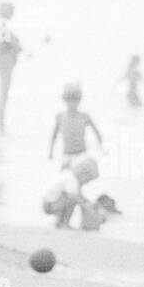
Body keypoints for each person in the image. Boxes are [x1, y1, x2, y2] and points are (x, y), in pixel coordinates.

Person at [46, 83, 106, 229]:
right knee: (64, 191)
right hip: (66, 158)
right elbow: (54, 135)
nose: (72, 104)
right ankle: (61, 219)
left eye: (75, 100)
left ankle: (66, 220)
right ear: (64, 100)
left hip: (81, 157)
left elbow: (97, 133)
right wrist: (51, 151)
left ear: (79, 101)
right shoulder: (60, 116)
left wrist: (100, 147)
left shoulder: (84, 116)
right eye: (69, 100)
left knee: (74, 190)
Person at [0, 1, 21, 133]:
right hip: (5, 63)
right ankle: (0, 124)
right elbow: (4, 44)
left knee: (4, 93)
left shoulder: (3, 27)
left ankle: (1, 122)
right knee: (4, 93)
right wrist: (17, 48)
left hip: (5, 62)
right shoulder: (3, 27)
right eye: (11, 10)